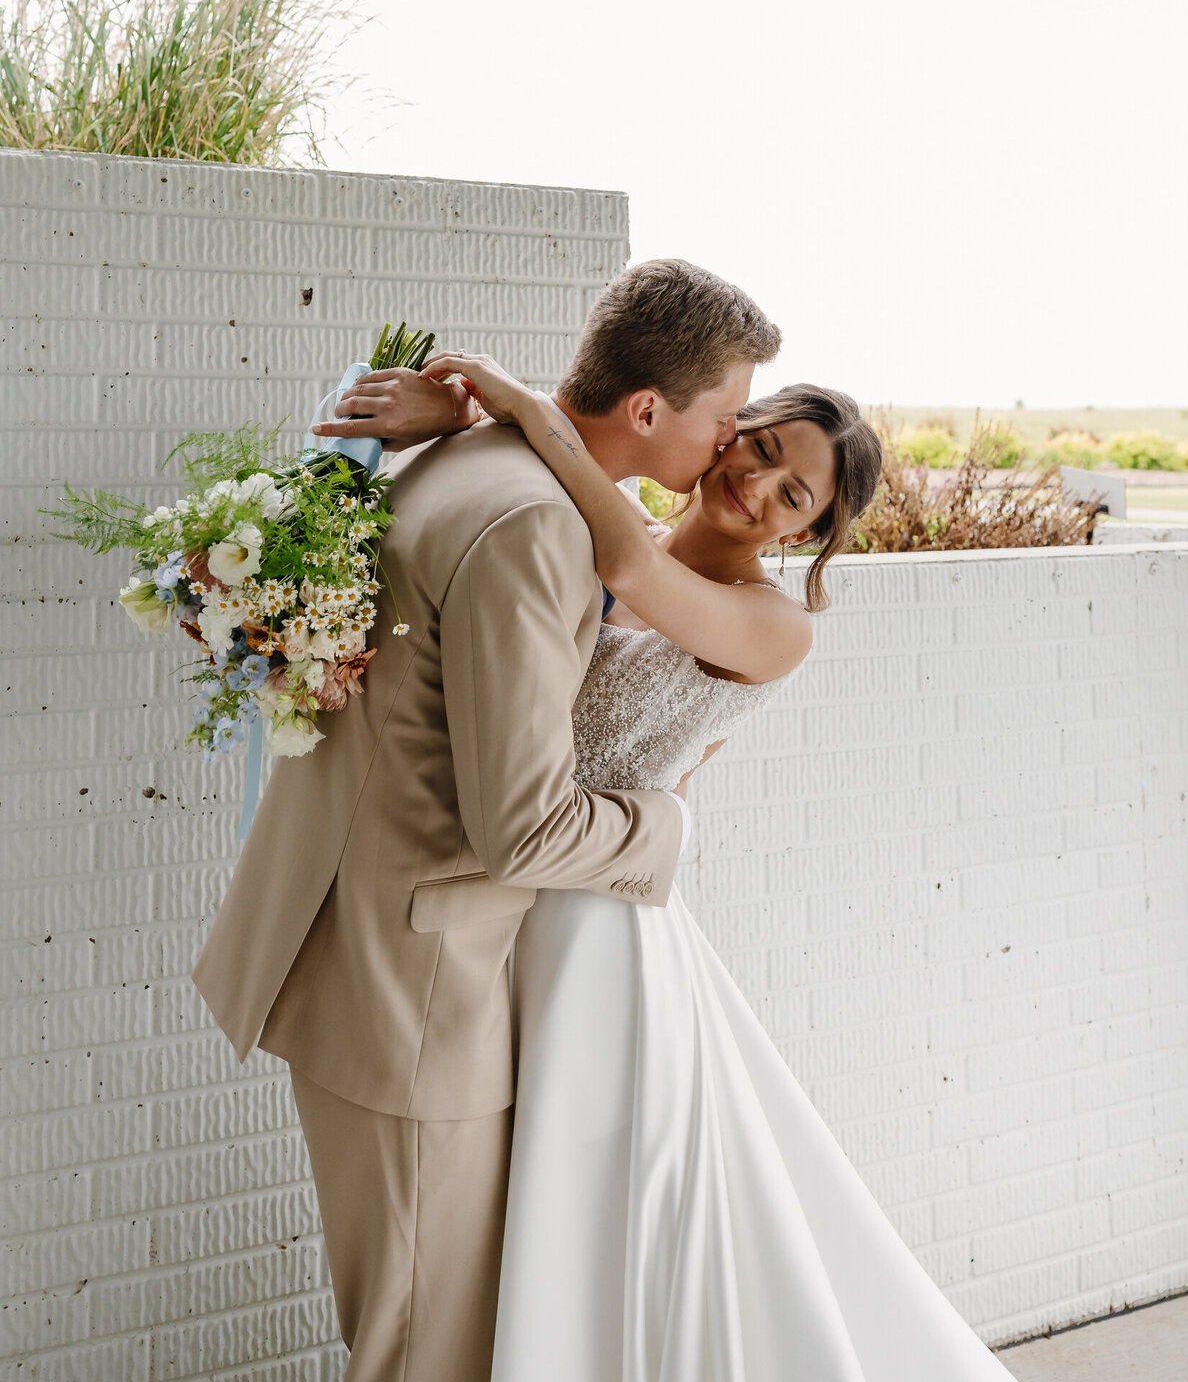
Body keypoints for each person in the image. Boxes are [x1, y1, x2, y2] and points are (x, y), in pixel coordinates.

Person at [191, 258, 781, 1382]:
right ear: (649, 410)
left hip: (351, 936)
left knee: (415, 1325)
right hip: (413, 989)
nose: (730, 444)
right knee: (423, 1350)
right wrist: (664, 829)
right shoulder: (533, 528)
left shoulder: (460, 451)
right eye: (723, 418)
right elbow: (521, 829)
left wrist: (470, 393)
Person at [377, 348, 1017, 1380]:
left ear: (809, 530)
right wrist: (452, 419)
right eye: (755, 448)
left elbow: (634, 568)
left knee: (588, 1195)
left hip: (595, 931)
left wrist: (522, 402)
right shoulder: (584, 530)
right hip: (491, 893)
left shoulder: (774, 625)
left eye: (792, 492)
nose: (754, 486)